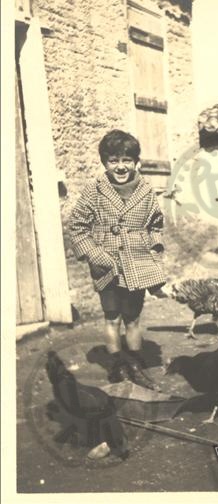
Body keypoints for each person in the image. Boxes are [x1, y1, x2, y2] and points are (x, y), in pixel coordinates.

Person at [69, 129, 166, 390]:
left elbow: (156, 225)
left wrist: (153, 254)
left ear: (136, 162)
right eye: (114, 160)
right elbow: (77, 225)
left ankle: (136, 366)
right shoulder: (95, 190)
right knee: (112, 317)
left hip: (136, 264)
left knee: (133, 318)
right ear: (105, 163)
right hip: (107, 264)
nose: (121, 166)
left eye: (126, 160)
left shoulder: (146, 191)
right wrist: (94, 254)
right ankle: (117, 367)